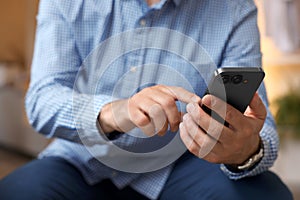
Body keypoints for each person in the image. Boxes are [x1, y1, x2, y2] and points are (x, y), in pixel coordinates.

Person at [0, 0, 293, 199]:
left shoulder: (234, 7)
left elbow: (261, 128)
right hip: (82, 159)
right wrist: (114, 112)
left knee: (267, 194)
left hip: (185, 163)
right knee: (17, 193)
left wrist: (246, 150)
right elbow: (41, 100)